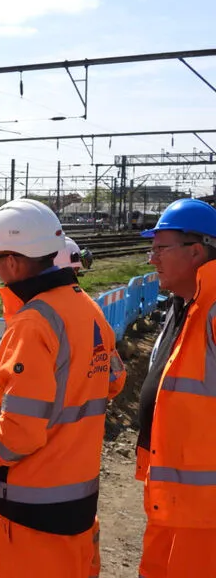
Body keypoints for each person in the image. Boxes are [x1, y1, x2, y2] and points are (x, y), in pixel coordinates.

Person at [0, 198, 125, 578]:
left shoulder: (34, 323)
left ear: (12, 260)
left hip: (32, 505)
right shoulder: (87, 308)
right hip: (78, 498)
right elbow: (114, 378)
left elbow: (21, 432)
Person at [136, 198, 216, 577]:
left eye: (160, 249)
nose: (152, 259)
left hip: (205, 510)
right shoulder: (184, 305)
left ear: (196, 251)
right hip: (172, 495)